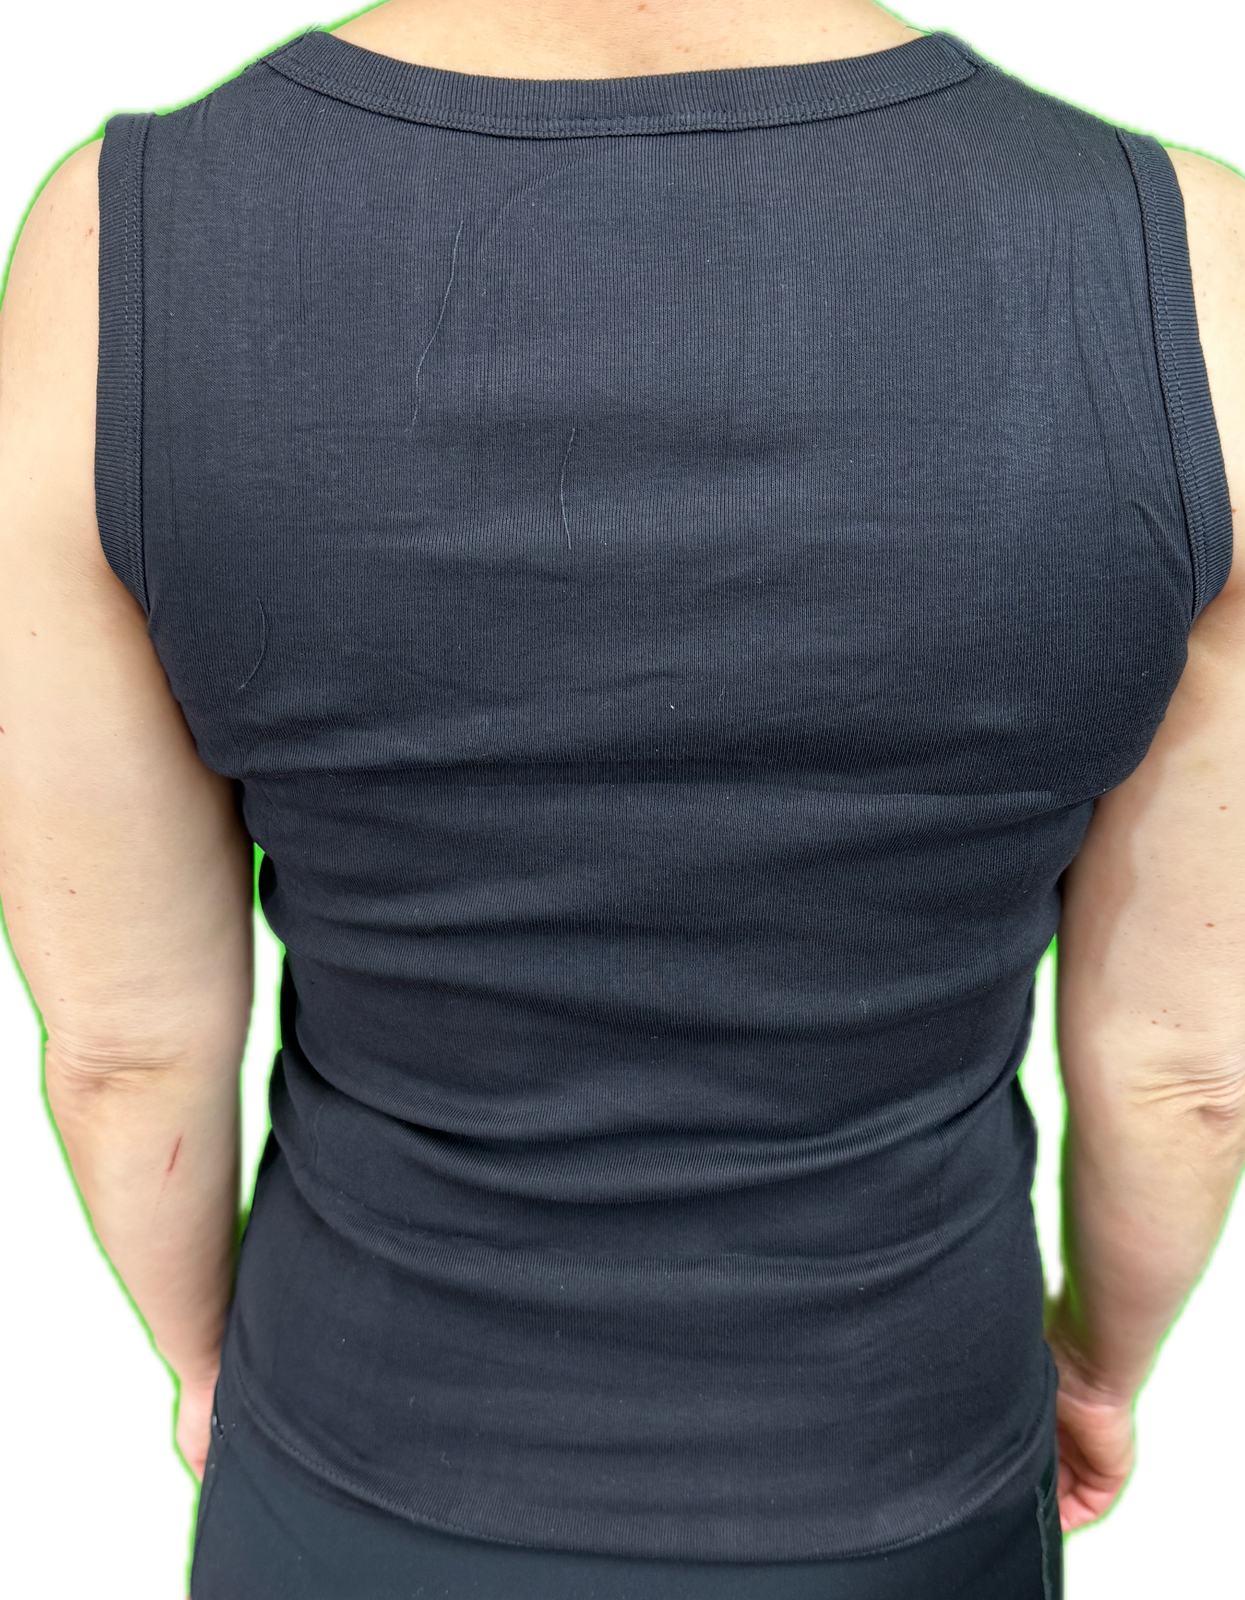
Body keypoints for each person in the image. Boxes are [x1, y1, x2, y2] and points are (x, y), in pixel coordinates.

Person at [1, 2, 1242, 1596]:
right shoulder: (1191, 260)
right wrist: (1099, 1371)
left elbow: (127, 1051)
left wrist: (201, 1372)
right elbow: (1187, 1077)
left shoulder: (119, 240)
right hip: (910, 1462)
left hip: (362, 1461)